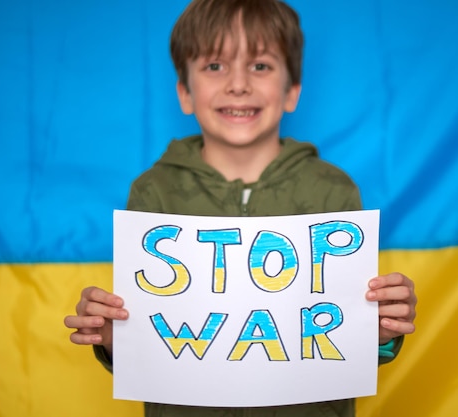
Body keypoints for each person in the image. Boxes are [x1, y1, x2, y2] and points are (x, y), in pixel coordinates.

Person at [64, 0, 417, 416]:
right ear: (184, 93)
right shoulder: (153, 193)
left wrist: (380, 329)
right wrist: (113, 335)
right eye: (215, 66)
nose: (238, 84)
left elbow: (343, 341)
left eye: (260, 66)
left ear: (292, 91)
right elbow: (153, 346)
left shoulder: (333, 191)